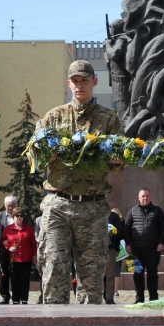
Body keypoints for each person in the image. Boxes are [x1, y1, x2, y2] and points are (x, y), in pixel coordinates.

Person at [37, 60, 122, 304]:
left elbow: (120, 163)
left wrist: (116, 158)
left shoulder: (109, 120)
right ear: (69, 83)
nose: (79, 85)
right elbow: (37, 158)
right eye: (75, 81)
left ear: (94, 82)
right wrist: (46, 154)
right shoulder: (53, 117)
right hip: (58, 205)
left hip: (93, 208)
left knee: (91, 280)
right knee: (54, 270)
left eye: (84, 80)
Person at [124, 188, 164, 303]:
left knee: (152, 274)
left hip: (153, 249)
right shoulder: (132, 211)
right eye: (143, 196)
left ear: (150, 197)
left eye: (147, 196)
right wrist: (128, 244)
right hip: (137, 249)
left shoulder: (157, 211)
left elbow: (163, 228)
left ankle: (153, 298)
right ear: (139, 198)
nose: (145, 198)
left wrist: (161, 243)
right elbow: (127, 228)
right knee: (138, 274)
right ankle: (139, 298)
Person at [1, 209, 37, 304]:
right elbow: (3, 241)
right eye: (17, 216)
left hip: (26, 258)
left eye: (21, 216)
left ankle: (24, 298)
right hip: (13, 259)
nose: (19, 218)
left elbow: (33, 244)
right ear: (13, 217)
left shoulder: (29, 229)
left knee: (25, 279)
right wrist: (8, 247)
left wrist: (34, 256)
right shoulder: (8, 229)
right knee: (14, 279)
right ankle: (16, 299)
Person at [0, 195, 18, 304]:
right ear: (4, 205)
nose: (10, 208)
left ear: (16, 205)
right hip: (4, 250)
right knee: (4, 274)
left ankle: (16, 297)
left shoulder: (22, 216)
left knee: (16, 275)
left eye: (12, 206)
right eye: (8, 206)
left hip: (17, 251)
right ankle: (5, 296)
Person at [105, 207, 125, 304]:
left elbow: (119, 233)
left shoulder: (113, 216)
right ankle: (96, 297)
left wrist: (117, 248)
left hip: (110, 247)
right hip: (94, 249)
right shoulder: (93, 214)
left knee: (109, 274)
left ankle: (109, 297)